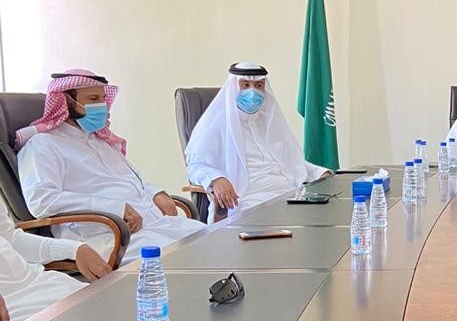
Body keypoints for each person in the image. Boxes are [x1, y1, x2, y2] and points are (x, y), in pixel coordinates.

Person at [16, 70, 204, 264]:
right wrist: (115, 208)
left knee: (212, 239)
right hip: (108, 236)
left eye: (103, 98)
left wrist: (156, 193)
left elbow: (127, 181)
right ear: (67, 102)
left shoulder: (100, 141)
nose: (102, 105)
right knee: (188, 260)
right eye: (93, 98)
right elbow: (42, 200)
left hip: (153, 224)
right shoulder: (43, 145)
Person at [185, 63, 332, 223]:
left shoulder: (268, 121)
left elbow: (291, 162)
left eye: (258, 85)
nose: (253, 91)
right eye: (245, 85)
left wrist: (320, 173)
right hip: (249, 203)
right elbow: (195, 166)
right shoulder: (216, 124)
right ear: (234, 87)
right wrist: (216, 179)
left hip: (289, 197)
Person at [0, 197, 111, 321]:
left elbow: (11, 238)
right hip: (11, 308)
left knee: (115, 316)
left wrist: (75, 249)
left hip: (44, 283)